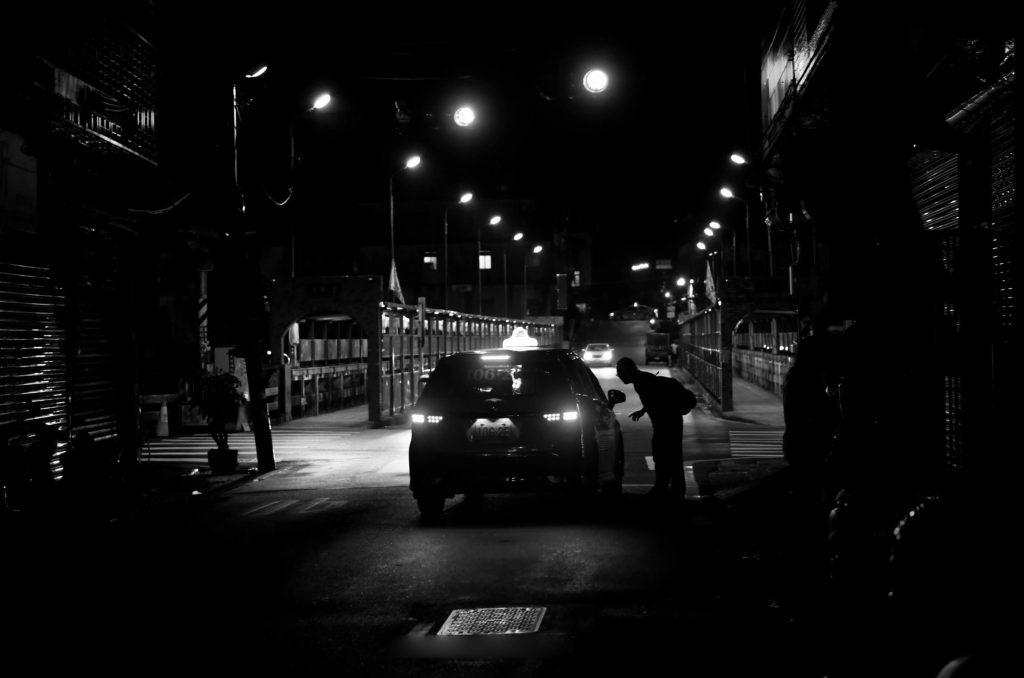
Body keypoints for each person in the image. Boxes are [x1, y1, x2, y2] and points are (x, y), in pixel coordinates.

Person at [615, 357, 685, 500]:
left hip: (667, 422)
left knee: (666, 455)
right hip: (668, 421)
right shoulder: (641, 380)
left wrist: (652, 412)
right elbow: (654, 398)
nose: (619, 377)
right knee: (669, 455)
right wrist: (643, 411)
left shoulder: (642, 382)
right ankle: (671, 489)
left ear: (628, 371)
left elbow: (656, 398)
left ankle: (667, 490)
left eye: (620, 373)